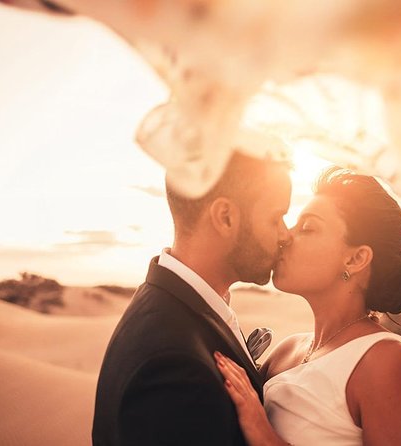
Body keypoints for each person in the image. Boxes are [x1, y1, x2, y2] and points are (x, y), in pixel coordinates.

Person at [92, 151, 292, 445]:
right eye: (276, 218)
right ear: (225, 218)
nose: (285, 234)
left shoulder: (171, 304)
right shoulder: (173, 368)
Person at [215, 167, 401, 445]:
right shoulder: (285, 352)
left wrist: (264, 434)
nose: (285, 236)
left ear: (355, 259)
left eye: (307, 227)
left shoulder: (383, 358)